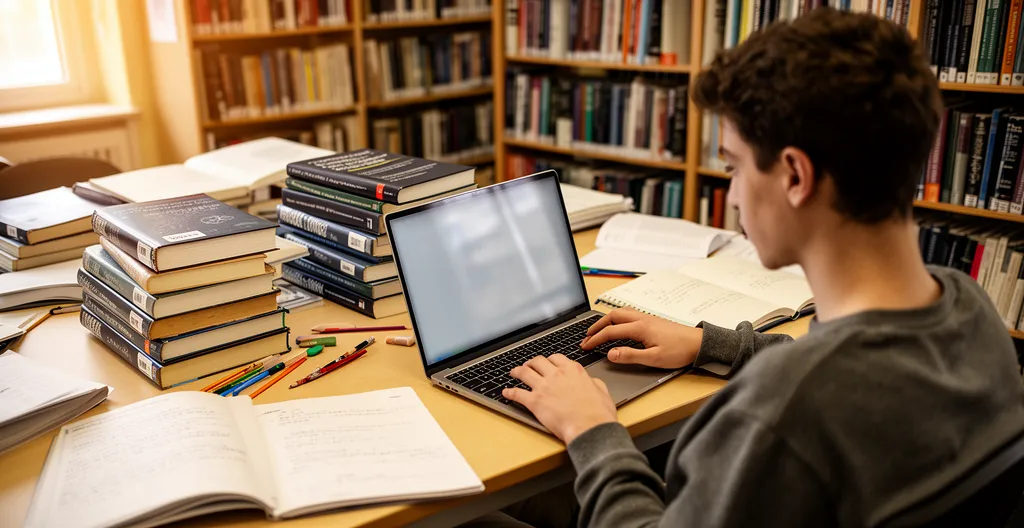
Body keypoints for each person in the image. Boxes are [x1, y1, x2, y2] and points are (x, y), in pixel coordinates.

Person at [488, 8, 1024, 527]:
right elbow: (861, 374)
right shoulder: (968, 308)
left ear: (795, 175)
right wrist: (709, 344)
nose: (735, 194)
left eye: (734, 167)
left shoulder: (781, 411)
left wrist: (592, 428)